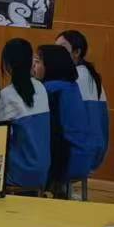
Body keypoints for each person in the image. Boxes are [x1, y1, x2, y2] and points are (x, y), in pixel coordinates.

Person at [37, 43, 103, 194]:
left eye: (39, 61)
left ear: (51, 66)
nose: (35, 65)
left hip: (67, 161)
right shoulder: (72, 87)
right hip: (83, 159)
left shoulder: (51, 90)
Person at [0, 37, 51, 192]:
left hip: (20, 174)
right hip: (42, 172)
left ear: (7, 64)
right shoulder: (41, 88)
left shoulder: (6, 95)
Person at [57, 27, 110, 159]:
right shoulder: (89, 75)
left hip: (80, 153)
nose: (56, 53)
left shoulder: (75, 79)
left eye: (61, 48)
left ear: (77, 52)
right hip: (94, 150)